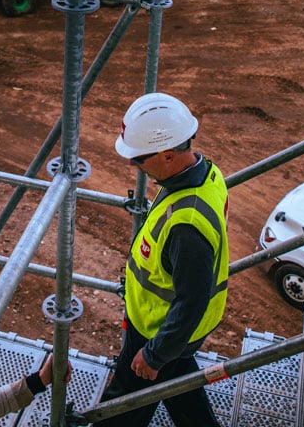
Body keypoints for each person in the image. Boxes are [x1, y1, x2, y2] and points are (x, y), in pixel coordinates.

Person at [94, 93, 229, 427]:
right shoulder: (206, 174)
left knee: (126, 401)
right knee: (179, 385)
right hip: (169, 330)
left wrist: (154, 355)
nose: (132, 165)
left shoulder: (187, 225)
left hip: (159, 329)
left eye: (138, 158)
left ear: (168, 156)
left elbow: (191, 300)